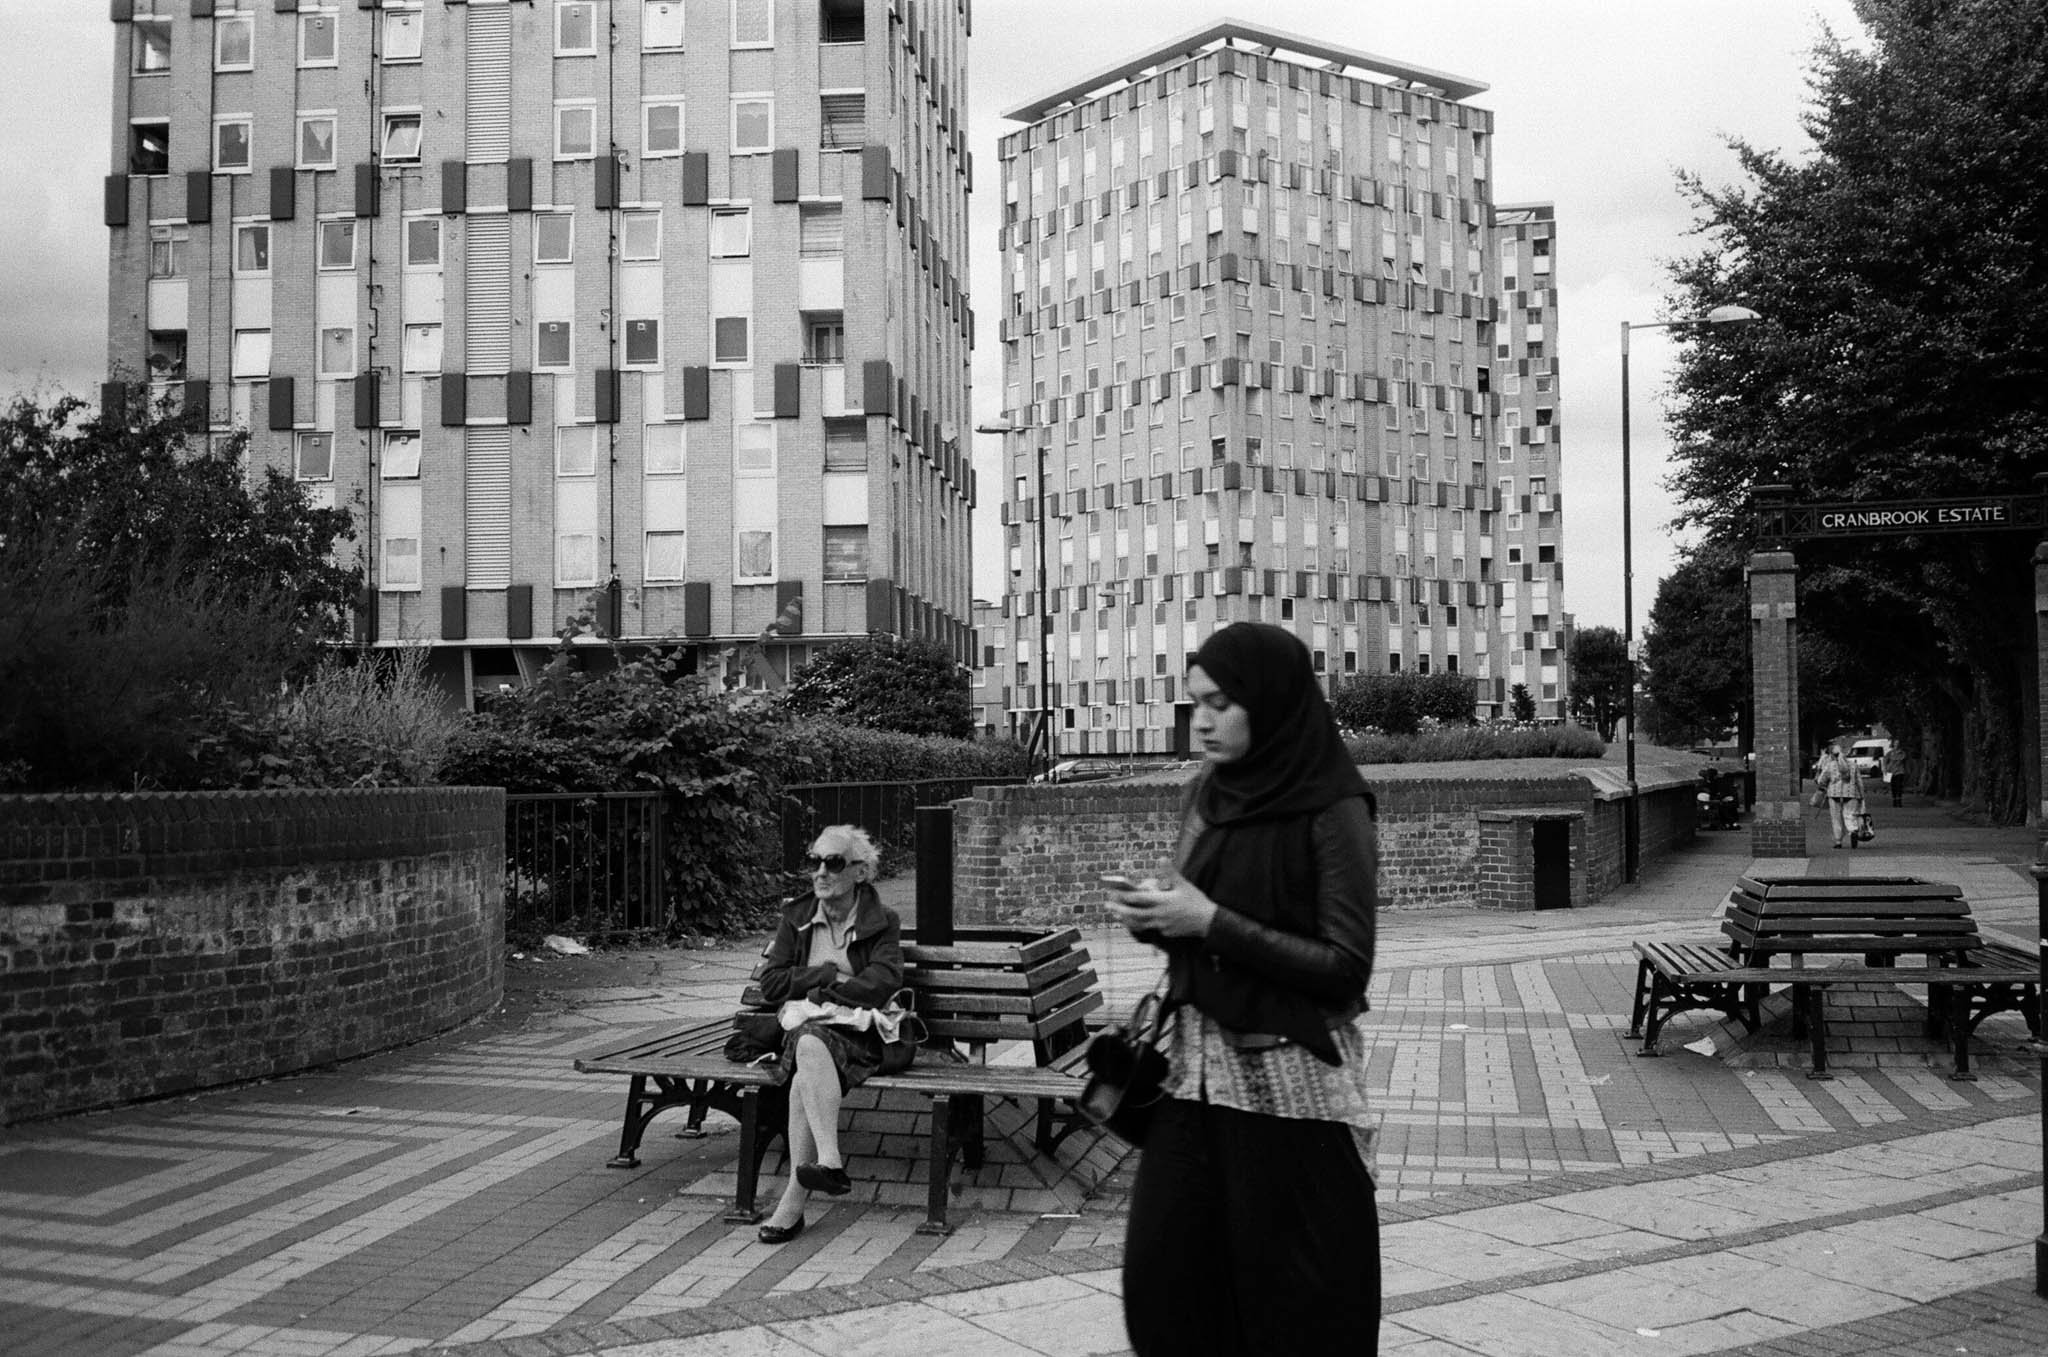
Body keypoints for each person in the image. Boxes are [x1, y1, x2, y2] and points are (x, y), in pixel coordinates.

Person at [1103, 622, 1381, 1356]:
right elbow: (1197, 917)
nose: (1203, 719)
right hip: (1194, 1080)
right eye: (1195, 702)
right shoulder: (1206, 795)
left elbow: (1346, 965)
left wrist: (1210, 920)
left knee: (1297, 1309)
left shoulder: (1334, 808)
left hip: (1292, 1091)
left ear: (1270, 701)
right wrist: (1156, 917)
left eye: (1221, 702)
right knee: (1164, 1294)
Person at [752, 824, 904, 1245]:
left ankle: (796, 1200)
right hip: (807, 1031)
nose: (821, 871)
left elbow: (883, 981)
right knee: (809, 1040)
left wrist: (822, 993)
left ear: (860, 872)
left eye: (833, 862)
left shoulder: (881, 921)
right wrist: (825, 975)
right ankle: (829, 1164)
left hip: (861, 1034)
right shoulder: (797, 917)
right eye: (814, 861)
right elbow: (772, 984)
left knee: (805, 1068)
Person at [1814, 742, 1865, 849]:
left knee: (1836, 818)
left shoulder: (1830, 766)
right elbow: (1859, 782)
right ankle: (1853, 831)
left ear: (1832, 755)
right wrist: (1862, 796)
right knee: (1850, 815)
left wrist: (1824, 784)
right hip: (1851, 794)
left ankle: (1838, 841)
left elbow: (1821, 781)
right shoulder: (1853, 765)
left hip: (1834, 794)